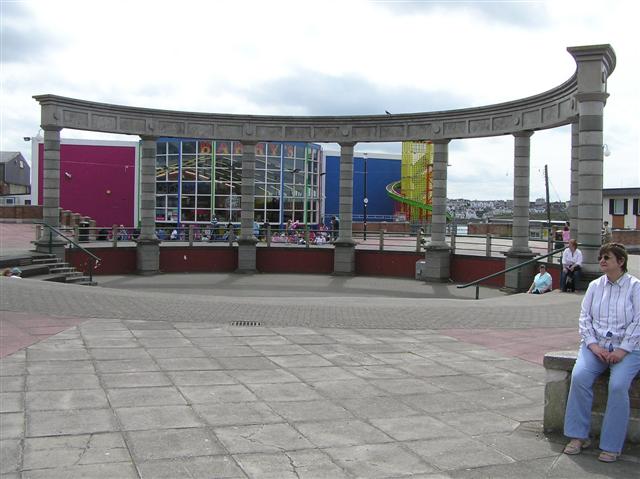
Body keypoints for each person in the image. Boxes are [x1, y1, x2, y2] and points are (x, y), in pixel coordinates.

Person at [563, 243, 640, 463]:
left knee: (617, 386)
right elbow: (584, 318)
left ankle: (611, 445)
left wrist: (622, 350)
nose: (602, 261)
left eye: (607, 257)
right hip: (596, 347)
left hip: (630, 349)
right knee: (579, 377)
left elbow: (639, 321)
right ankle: (578, 436)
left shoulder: (635, 287)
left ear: (621, 261)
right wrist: (593, 345)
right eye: (600, 258)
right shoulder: (595, 286)